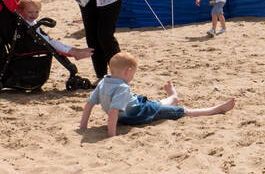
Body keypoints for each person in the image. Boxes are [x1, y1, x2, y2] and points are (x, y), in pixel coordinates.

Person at [79, 51, 235, 138]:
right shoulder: (122, 88)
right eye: (133, 73)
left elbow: (89, 105)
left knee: (155, 105)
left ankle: (173, 97)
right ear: (128, 71)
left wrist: (83, 127)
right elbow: (113, 112)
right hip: (137, 114)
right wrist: (111, 135)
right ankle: (215, 110)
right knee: (181, 111)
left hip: (135, 108)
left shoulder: (102, 82)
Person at [15, 0, 93, 60]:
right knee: (55, 44)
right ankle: (76, 53)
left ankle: (77, 51)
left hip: (42, 39)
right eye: (30, 12)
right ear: (21, 11)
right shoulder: (23, 21)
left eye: (37, 12)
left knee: (56, 43)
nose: (34, 15)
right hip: (36, 43)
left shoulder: (28, 20)